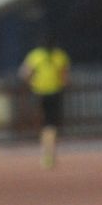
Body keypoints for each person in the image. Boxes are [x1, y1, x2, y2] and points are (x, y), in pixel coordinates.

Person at [19, 31, 69, 169]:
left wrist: (32, 83)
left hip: (38, 93)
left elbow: (25, 73)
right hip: (55, 93)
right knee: (51, 125)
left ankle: (46, 154)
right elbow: (65, 79)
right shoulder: (60, 56)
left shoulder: (35, 55)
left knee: (44, 125)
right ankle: (50, 153)